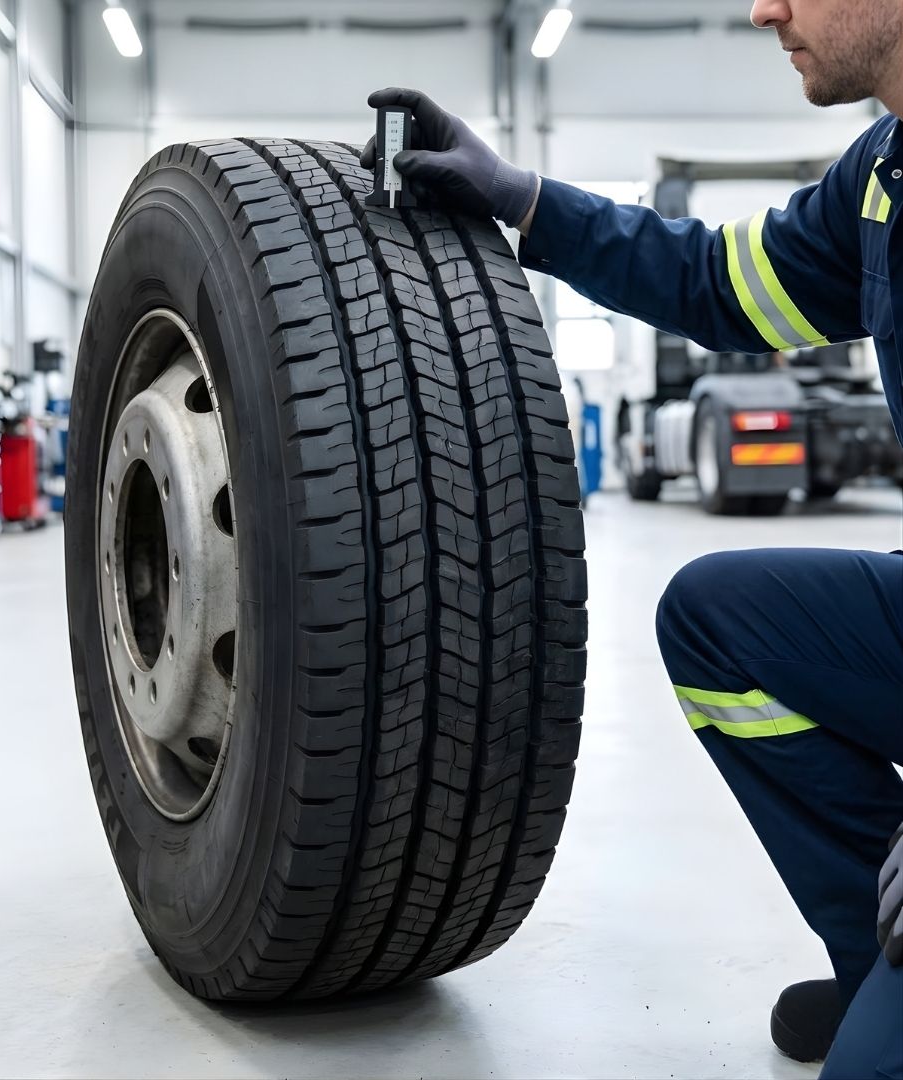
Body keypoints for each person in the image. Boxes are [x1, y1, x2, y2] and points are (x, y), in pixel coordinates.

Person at [359, 1, 903, 1076]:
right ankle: (874, 959)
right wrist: (526, 204)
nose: (764, 9)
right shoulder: (884, 175)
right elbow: (720, 280)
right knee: (717, 622)